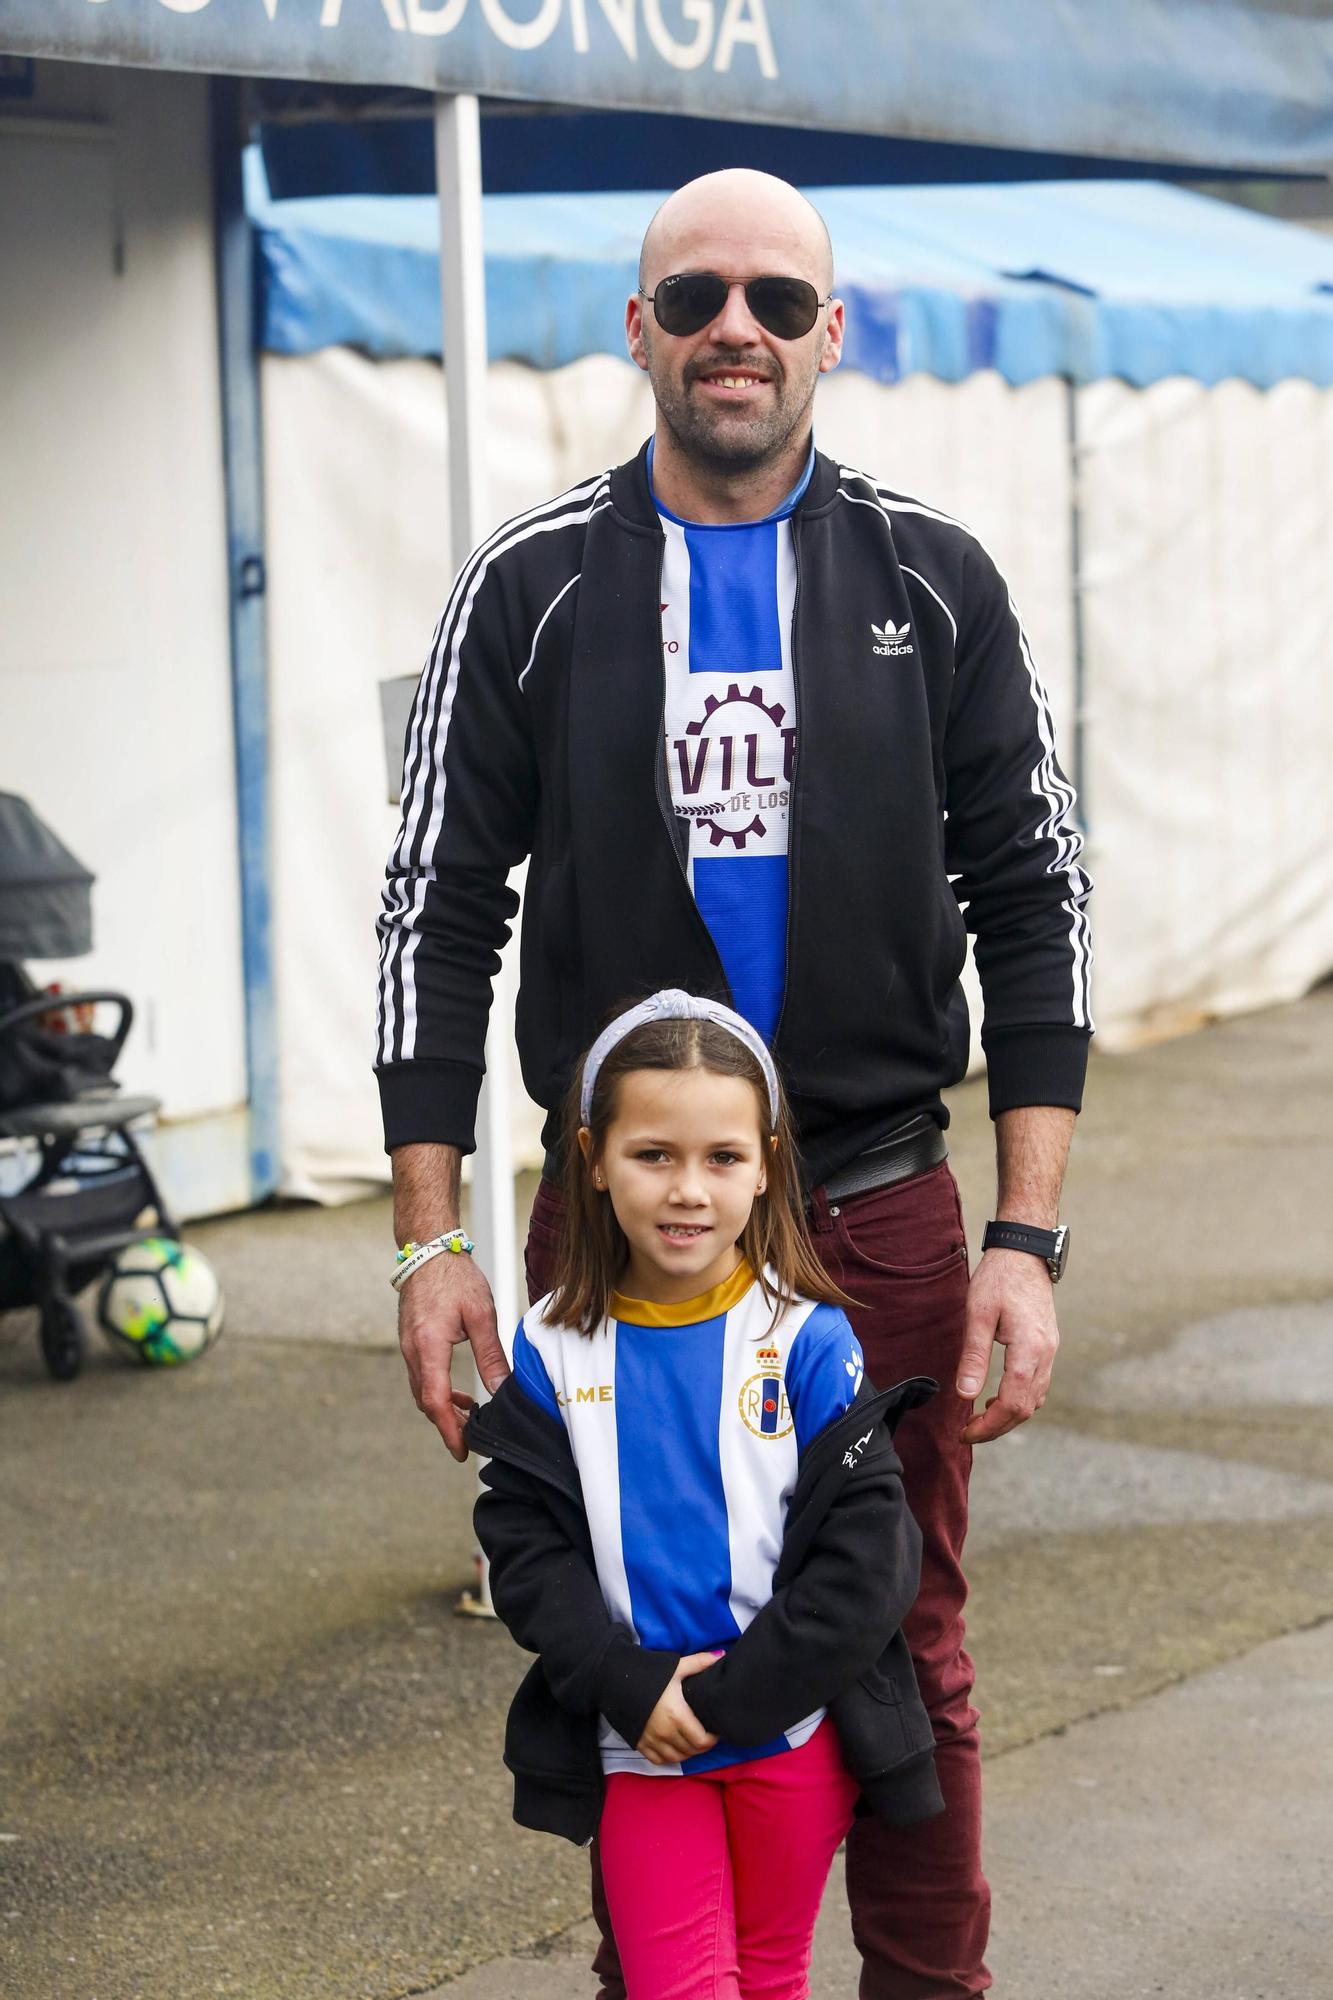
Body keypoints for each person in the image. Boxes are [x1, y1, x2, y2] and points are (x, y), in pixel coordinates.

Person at [378, 168, 1092, 2000]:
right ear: (637, 329)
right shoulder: (527, 589)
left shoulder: (930, 579)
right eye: (693, 295)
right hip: (610, 1220)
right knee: (622, 1635)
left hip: (869, 1195)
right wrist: (424, 1244)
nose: (735, 331)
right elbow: (433, 912)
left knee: (901, 1632)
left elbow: (1032, 899)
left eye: (778, 300)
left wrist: (1025, 1233)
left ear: (828, 336)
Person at [464, 990, 943, 2000]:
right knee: (679, 1986)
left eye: (721, 1156)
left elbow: (868, 1563)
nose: (688, 1189)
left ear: (767, 1162)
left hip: (790, 1734)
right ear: (592, 1158)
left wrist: (728, 1697)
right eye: (653, 1154)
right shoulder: (549, 1348)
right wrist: (627, 1682)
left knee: (770, 1979)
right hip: (643, 1741)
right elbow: (523, 1545)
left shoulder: (808, 1341)